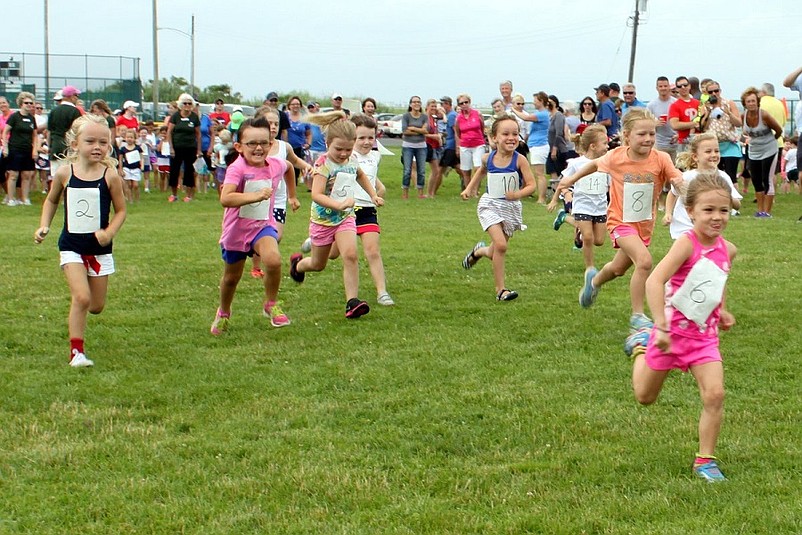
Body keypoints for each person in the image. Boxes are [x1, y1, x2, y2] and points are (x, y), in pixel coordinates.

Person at [633, 171, 737, 483]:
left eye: (723, 210)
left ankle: (705, 460)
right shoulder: (685, 244)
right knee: (644, 397)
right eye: (708, 210)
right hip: (670, 336)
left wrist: (724, 310)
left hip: (704, 340)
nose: (717, 217)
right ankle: (641, 344)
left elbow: (718, 278)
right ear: (690, 211)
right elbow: (654, 280)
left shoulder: (727, 249)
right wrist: (660, 327)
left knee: (715, 394)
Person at [554, 109, 683, 338]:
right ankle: (637, 317)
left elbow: (676, 179)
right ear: (627, 136)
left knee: (618, 269)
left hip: (644, 225)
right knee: (644, 262)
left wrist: (687, 191)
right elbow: (594, 165)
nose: (648, 139)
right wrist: (571, 179)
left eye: (652, 134)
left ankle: (594, 282)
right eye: (641, 134)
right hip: (619, 221)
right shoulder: (616, 157)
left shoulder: (661, 158)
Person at [33, 114, 127, 367]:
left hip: (99, 250)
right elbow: (52, 200)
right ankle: (77, 352)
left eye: (103, 142)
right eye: (90, 141)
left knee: (96, 306)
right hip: (71, 247)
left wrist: (109, 233)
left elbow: (121, 211)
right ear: (75, 144)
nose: (97, 147)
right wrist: (44, 225)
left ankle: (82, 305)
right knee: (82, 297)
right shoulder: (65, 173)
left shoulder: (110, 176)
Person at [288, 111, 384, 319]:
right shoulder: (323, 165)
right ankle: (298, 265)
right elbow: (316, 195)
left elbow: (360, 175)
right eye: (338, 149)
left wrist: (374, 195)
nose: (343, 154)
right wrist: (338, 204)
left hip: (345, 218)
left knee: (350, 255)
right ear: (327, 143)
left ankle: (352, 302)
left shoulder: (351, 161)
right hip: (323, 221)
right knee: (318, 264)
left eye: (348, 149)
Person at [210, 116, 298, 335]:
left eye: (264, 143)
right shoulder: (236, 169)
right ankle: (224, 312)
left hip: (262, 227)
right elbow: (226, 198)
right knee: (231, 279)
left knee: (273, 260)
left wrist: (293, 196)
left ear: (271, 144)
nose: (259, 148)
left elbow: (289, 168)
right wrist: (255, 196)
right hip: (236, 232)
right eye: (252, 144)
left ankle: (270, 304)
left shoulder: (276, 164)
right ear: (239, 146)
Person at [460, 116, 536, 301]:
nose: (511, 138)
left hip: (510, 208)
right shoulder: (489, 157)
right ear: (494, 138)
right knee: (501, 246)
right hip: (490, 205)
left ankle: (479, 252)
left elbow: (531, 185)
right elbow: (481, 172)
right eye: (506, 134)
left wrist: (517, 194)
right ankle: (501, 290)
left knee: (495, 250)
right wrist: (469, 189)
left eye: (515, 134)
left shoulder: (520, 160)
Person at [321, 114, 394, 306]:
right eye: (361, 138)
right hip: (344, 212)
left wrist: (378, 191)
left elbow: (368, 177)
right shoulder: (345, 156)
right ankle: (316, 239)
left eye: (371, 137)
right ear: (353, 138)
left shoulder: (376, 156)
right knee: (333, 254)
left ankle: (382, 292)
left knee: (372, 250)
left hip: (367, 210)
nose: (366, 142)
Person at [548, 125, 609, 271]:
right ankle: (590, 269)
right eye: (605, 144)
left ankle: (566, 219)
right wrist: (555, 199)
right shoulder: (577, 163)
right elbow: (563, 182)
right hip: (582, 205)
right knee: (587, 237)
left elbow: (611, 185)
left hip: (600, 206)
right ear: (593, 146)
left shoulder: (607, 163)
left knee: (599, 241)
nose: (608, 147)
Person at [665, 133, 743, 239]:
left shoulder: (723, 177)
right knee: (687, 253)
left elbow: (737, 205)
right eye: (708, 151)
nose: (714, 154)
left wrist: (725, 194)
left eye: (717, 151)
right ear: (695, 157)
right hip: (685, 227)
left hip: (709, 227)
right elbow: (673, 193)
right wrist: (668, 213)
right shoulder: (687, 176)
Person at [741, 87, 783, 217]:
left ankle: (767, 211)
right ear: (745, 103)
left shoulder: (763, 115)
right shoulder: (744, 116)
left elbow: (778, 130)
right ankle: (759, 210)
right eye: (749, 101)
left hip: (769, 149)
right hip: (754, 150)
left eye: (753, 101)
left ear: (757, 102)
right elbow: (744, 132)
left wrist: (771, 141)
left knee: (767, 178)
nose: (751, 104)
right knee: (756, 180)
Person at [695, 81, 742, 184]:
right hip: (714, 145)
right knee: (715, 174)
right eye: (710, 92)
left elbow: (738, 123)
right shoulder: (705, 107)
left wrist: (728, 113)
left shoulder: (729, 103)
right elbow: (703, 127)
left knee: (731, 176)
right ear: (707, 93)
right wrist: (707, 113)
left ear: (720, 91)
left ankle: (733, 197)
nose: (714, 94)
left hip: (730, 143)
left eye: (716, 91)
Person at [511, 91, 550, 203]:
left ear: (541, 101)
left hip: (539, 145)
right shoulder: (540, 113)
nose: (533, 103)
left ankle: (541, 198)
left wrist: (513, 109)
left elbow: (525, 117)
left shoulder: (541, 114)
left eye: (535, 101)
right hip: (535, 145)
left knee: (539, 173)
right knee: (537, 172)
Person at [3, 92, 38, 206]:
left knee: (27, 175)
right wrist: (5, 148)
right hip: (15, 149)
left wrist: (35, 150)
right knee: (13, 175)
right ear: (21, 104)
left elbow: (35, 135)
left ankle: (25, 198)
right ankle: (11, 198)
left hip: (27, 150)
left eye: (30, 103)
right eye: (26, 103)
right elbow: (5, 132)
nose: (29, 105)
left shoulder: (32, 118)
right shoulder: (14, 117)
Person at [166, 93, 201, 202]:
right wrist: (171, 148)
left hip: (190, 148)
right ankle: (174, 194)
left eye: (189, 103)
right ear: (181, 104)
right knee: (174, 171)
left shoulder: (194, 117)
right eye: (185, 103)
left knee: (189, 171)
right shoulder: (175, 116)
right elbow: (169, 132)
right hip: (177, 148)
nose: (187, 105)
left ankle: (189, 195)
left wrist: (199, 150)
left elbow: (198, 135)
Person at [46, 86, 83, 177]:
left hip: (55, 147)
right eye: (76, 95)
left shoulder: (53, 111)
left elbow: (49, 132)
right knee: (68, 177)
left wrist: (49, 147)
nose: (77, 98)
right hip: (68, 148)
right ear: (70, 96)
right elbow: (77, 131)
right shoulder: (75, 111)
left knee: (55, 177)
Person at [454, 94, 486, 193]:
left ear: (469, 102)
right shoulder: (459, 118)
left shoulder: (477, 114)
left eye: (466, 102)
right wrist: (459, 145)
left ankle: (475, 190)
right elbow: (458, 132)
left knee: (478, 168)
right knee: (466, 170)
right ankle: (468, 190)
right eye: (461, 103)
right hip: (465, 145)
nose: (464, 105)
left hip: (478, 144)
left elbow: (482, 127)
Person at [401, 95, 428, 199]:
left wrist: (412, 128)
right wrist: (419, 130)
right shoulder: (406, 116)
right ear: (410, 104)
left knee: (421, 171)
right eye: (414, 102)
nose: (417, 104)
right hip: (408, 146)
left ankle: (420, 194)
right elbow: (404, 131)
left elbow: (426, 131)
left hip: (421, 146)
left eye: (418, 102)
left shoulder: (424, 117)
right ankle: (405, 194)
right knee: (407, 170)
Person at [284, 95, 312, 180]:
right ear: (289, 106)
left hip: (299, 148)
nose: (295, 106)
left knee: (295, 171)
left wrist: (309, 143)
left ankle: (293, 188)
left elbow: (309, 133)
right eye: (293, 104)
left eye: (297, 104)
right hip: (287, 147)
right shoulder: (285, 116)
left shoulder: (304, 118)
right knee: (285, 169)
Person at [668, 76, 700, 150]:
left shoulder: (698, 103)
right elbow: (674, 125)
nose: (683, 87)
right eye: (680, 86)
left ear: (689, 86)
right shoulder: (674, 106)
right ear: (677, 89)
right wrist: (694, 124)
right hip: (684, 143)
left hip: (699, 141)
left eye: (685, 85)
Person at [437, 96, 459, 189]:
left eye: (442, 104)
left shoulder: (451, 116)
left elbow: (456, 132)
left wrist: (457, 146)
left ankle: (432, 192)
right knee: (459, 168)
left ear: (447, 104)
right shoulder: (451, 115)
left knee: (440, 169)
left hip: (451, 146)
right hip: (451, 144)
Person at [424, 99, 444, 199]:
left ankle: (431, 193)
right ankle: (429, 193)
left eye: (435, 106)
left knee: (436, 171)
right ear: (427, 107)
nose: (434, 108)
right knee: (435, 170)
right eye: (432, 106)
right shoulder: (424, 118)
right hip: (428, 145)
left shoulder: (433, 118)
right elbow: (423, 133)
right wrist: (435, 136)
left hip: (435, 146)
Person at [118, 129, 143, 203]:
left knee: (135, 185)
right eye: (128, 137)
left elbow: (141, 157)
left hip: (136, 168)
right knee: (128, 185)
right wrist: (121, 169)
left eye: (131, 137)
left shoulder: (138, 148)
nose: (129, 139)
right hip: (127, 168)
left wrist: (142, 165)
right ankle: (130, 200)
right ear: (125, 138)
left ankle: (137, 199)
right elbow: (120, 160)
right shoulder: (123, 149)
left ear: (134, 138)